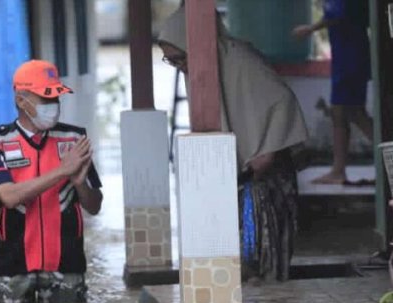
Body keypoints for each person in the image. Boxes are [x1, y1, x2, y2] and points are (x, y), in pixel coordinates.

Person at [158, 5, 309, 281]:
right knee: (241, 256)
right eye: (171, 62)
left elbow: (282, 100)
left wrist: (267, 150)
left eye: (179, 58)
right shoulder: (198, 71)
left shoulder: (239, 59)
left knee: (269, 251)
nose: (179, 67)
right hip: (242, 176)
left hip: (268, 171)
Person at [0, 60, 103, 303]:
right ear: (21, 101)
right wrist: (62, 171)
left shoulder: (74, 139)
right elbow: (9, 197)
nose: (54, 106)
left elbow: (95, 206)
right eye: (46, 98)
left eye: (56, 98)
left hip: (67, 264)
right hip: (12, 266)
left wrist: (79, 184)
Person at [293, 0, 372, 184]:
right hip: (346, 54)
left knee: (354, 112)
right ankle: (338, 170)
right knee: (341, 114)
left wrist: (310, 29)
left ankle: (385, 156)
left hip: (350, 56)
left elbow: (337, 14)